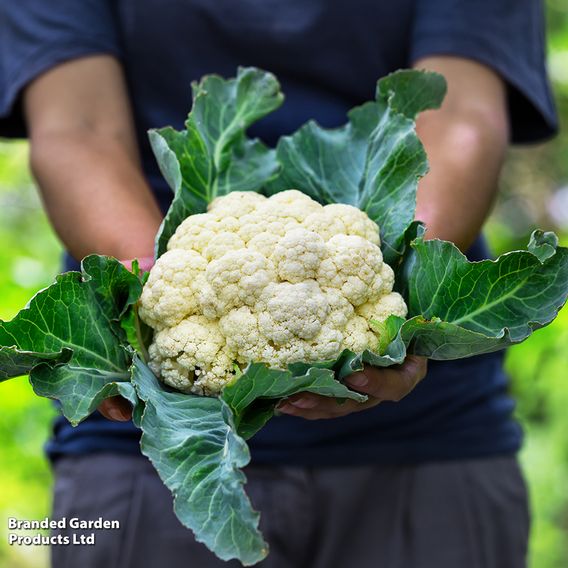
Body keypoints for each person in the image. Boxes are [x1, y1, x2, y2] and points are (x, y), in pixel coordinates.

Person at [0, 1, 557, 567]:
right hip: (151, 452)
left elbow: (460, 112)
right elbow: (76, 126)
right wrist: (149, 280)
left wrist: (403, 307)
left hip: (428, 444)